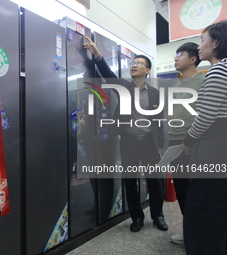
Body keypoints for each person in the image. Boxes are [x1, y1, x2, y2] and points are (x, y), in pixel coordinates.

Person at [84, 36, 168, 232]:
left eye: (139, 63)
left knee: (154, 181)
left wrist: (162, 143)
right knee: (130, 181)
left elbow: (160, 121)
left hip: (149, 143)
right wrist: (97, 54)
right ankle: (136, 217)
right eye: (133, 63)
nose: (134, 66)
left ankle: (158, 215)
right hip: (129, 141)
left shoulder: (155, 93)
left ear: (147, 70)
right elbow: (107, 74)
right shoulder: (124, 87)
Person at [181, 20, 227, 255]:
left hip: (213, 145)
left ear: (216, 42)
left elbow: (206, 116)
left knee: (201, 207)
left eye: (202, 40)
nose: (200, 46)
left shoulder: (219, 70)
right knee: (216, 206)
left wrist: (188, 141)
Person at [168, 42, 205, 245]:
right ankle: (188, 227)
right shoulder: (178, 85)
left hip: (194, 140)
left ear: (193, 59)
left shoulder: (204, 80)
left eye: (180, 54)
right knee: (181, 188)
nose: (175, 58)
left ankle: (199, 231)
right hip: (175, 141)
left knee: (197, 190)